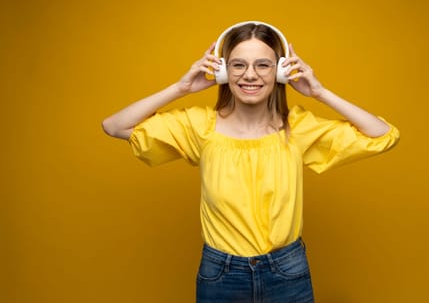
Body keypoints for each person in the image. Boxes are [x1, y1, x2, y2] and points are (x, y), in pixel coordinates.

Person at [102, 21, 400, 303]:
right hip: (220, 274)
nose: (250, 75)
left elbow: (383, 135)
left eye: (263, 65)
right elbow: (115, 126)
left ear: (281, 72)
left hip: (288, 270)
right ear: (222, 72)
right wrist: (180, 89)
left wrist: (320, 93)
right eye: (238, 65)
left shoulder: (297, 128)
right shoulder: (199, 126)